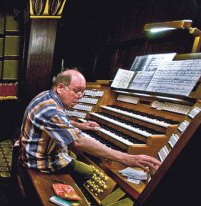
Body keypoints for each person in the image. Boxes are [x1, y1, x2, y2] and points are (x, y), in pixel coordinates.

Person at [19, 69, 161, 186]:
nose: (80, 96)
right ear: (60, 88)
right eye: (77, 91)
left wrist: (79, 125)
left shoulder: (47, 96)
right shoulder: (51, 109)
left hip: (34, 151)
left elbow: (56, 123)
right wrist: (124, 158)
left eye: (83, 92)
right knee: (88, 172)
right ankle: (73, 204)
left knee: (73, 155)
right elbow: (79, 142)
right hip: (38, 161)